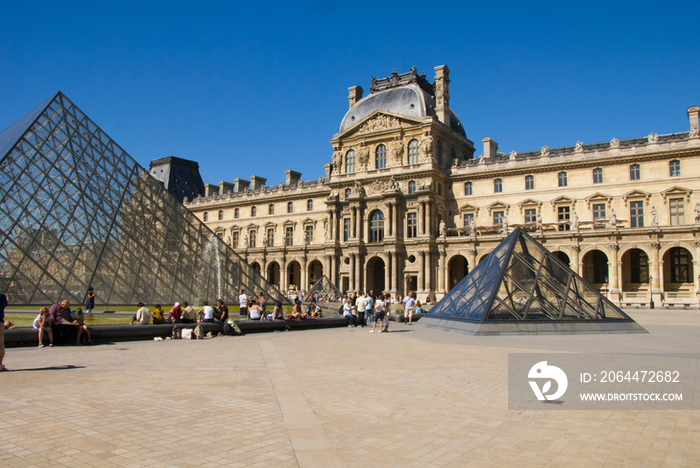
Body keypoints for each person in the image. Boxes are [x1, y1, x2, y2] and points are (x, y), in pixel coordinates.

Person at [0, 292, 8, 371]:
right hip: (0, 322)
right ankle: (0, 364)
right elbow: (5, 305)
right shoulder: (2, 297)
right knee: (0, 344)